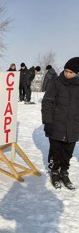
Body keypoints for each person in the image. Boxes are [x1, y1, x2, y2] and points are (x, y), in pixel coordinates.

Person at [41, 57, 79, 190]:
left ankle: (64, 172)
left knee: (68, 152)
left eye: (71, 72)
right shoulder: (56, 83)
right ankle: (55, 172)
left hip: (73, 126)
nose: (67, 74)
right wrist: (48, 122)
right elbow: (47, 102)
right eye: (66, 71)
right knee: (55, 151)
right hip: (56, 124)